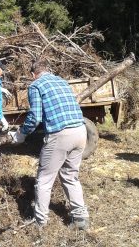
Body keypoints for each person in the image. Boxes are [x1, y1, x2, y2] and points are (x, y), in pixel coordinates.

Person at [9, 60, 89, 230]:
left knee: (44, 180)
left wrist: (20, 134)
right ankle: (81, 218)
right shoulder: (62, 81)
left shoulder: (36, 86)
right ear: (48, 70)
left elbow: (35, 116)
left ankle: (40, 222)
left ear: (33, 74)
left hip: (61, 134)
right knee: (70, 176)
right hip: (81, 131)